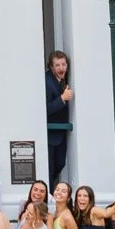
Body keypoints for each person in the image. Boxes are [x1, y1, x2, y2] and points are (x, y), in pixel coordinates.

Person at [44, 53, 73, 181]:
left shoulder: (64, 80)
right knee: (49, 169)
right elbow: (45, 109)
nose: (61, 68)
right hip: (49, 133)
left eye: (63, 64)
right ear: (51, 67)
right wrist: (62, 98)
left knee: (60, 164)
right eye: (57, 65)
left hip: (61, 132)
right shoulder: (46, 81)